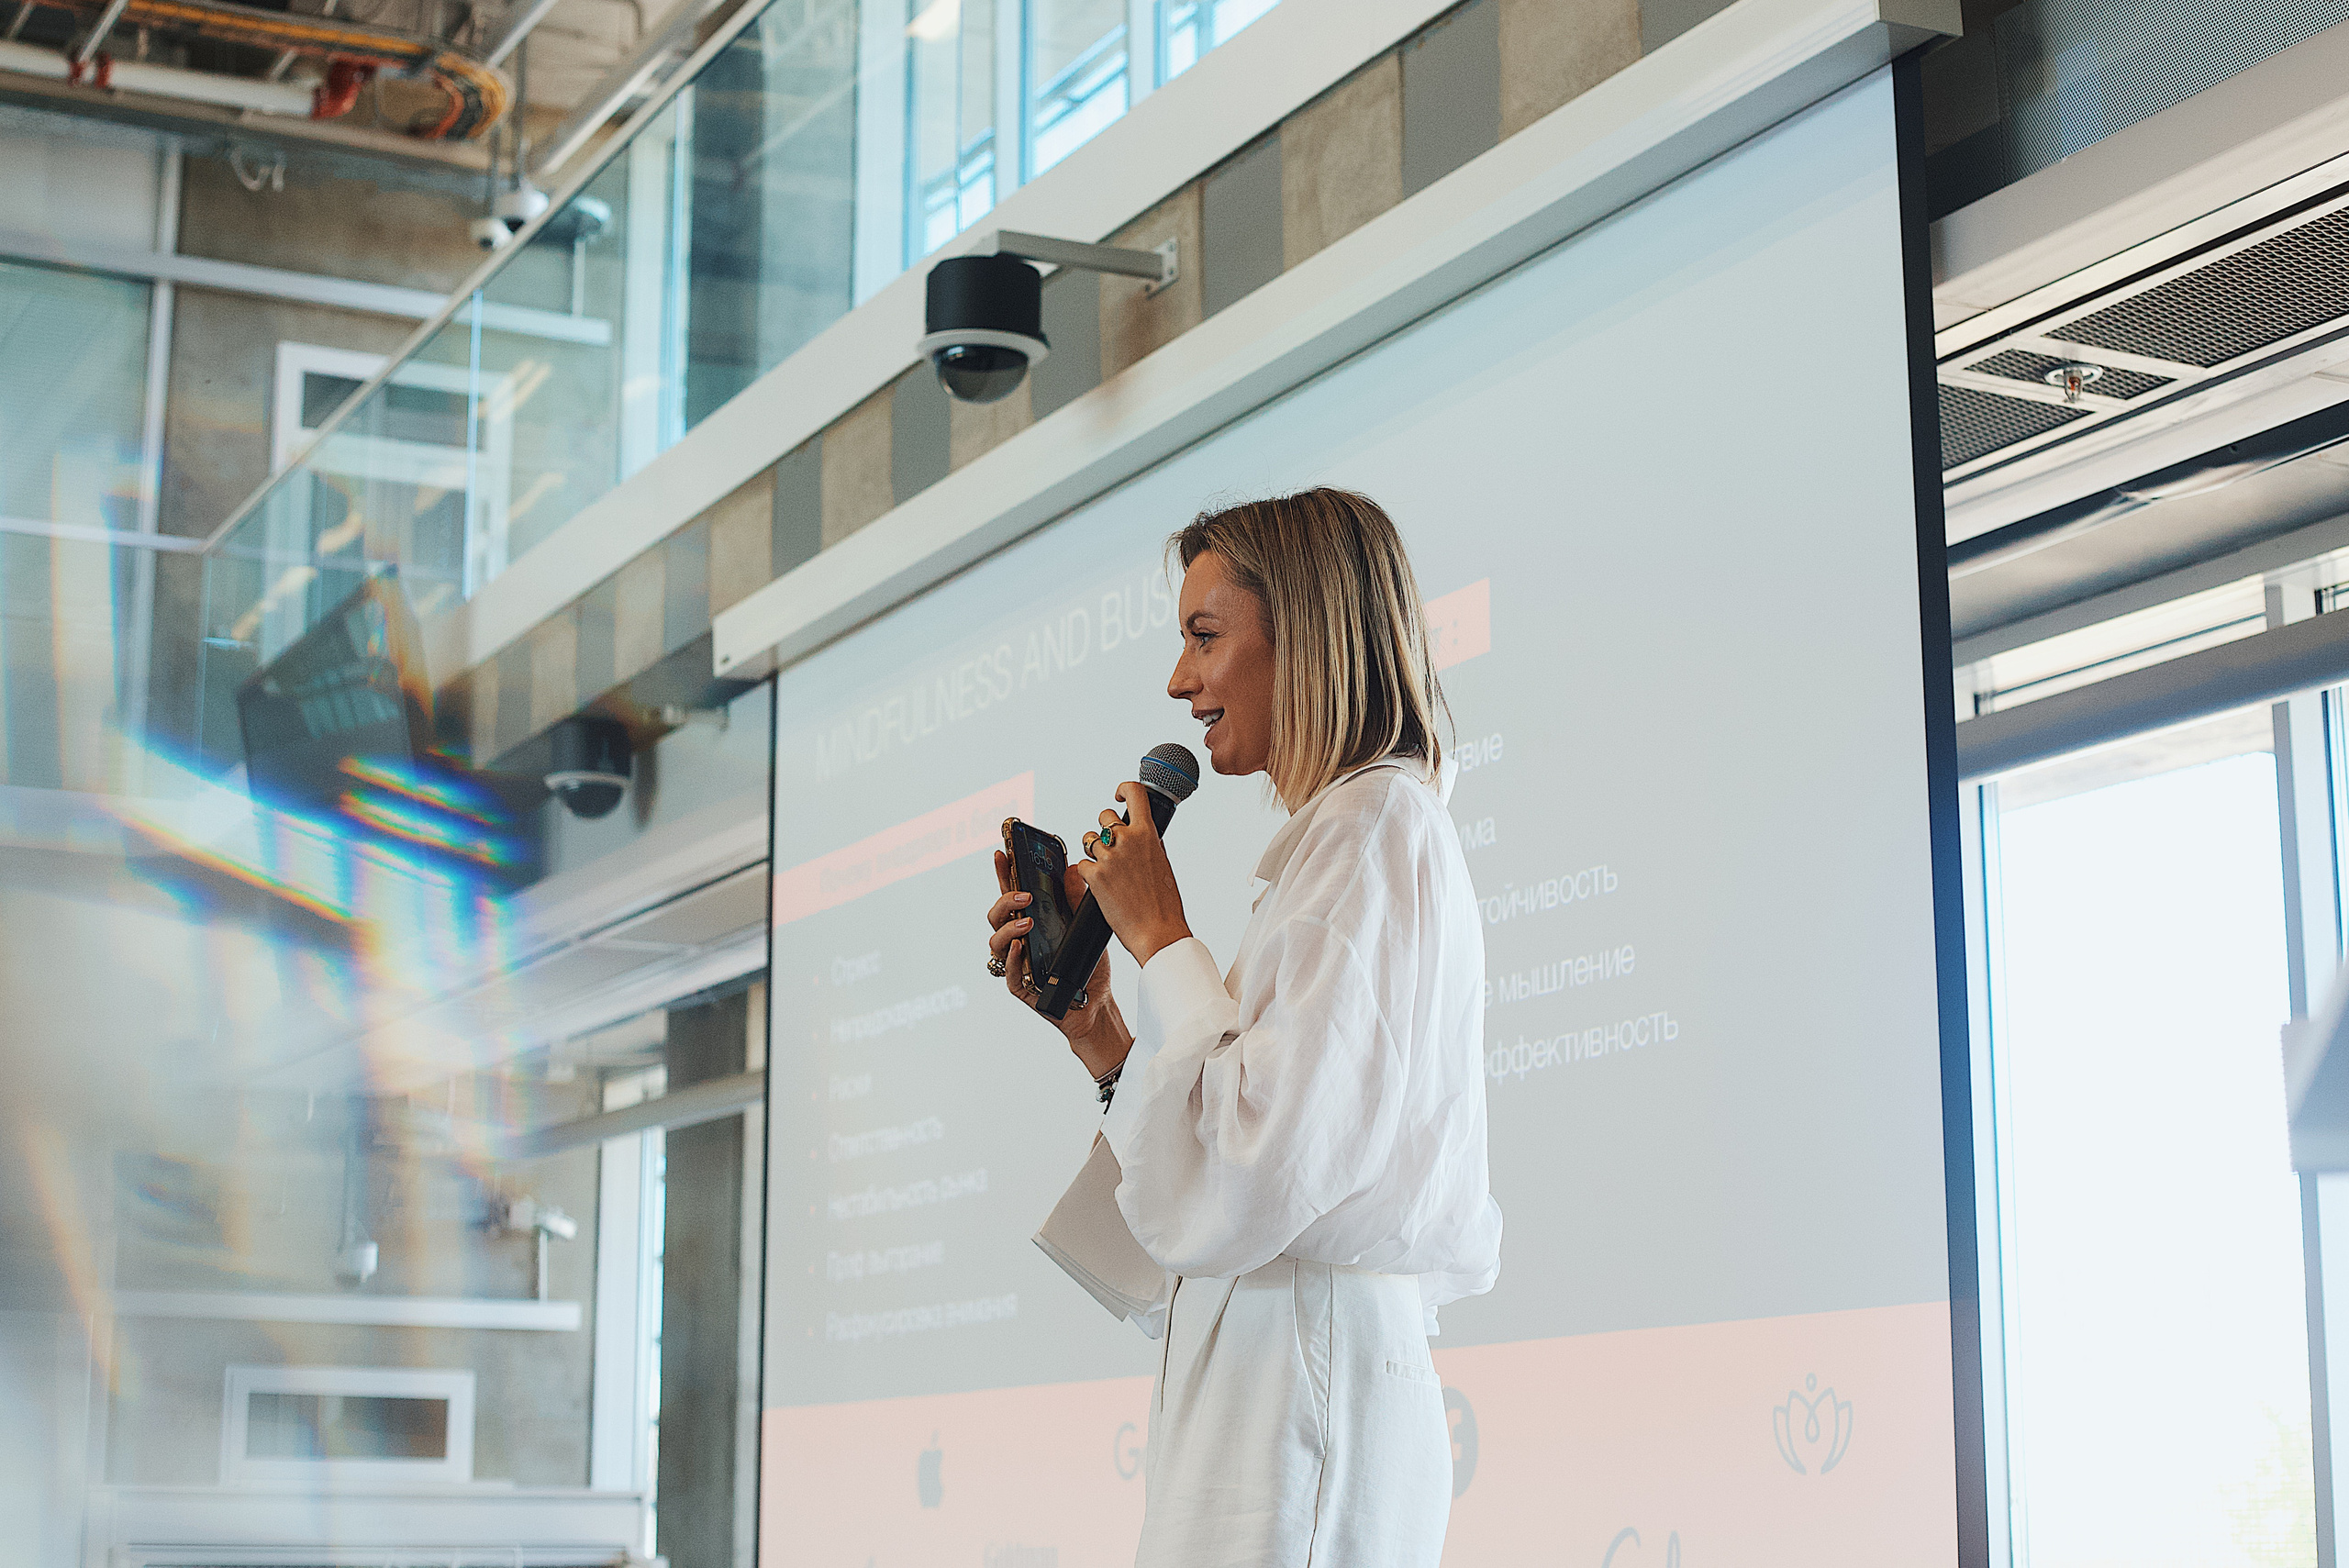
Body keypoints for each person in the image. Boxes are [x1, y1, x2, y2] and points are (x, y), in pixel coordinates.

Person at [984, 487, 1503, 1566]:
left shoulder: (1376, 828)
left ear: (1305, 634)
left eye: (1205, 637)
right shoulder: (1341, 842)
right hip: (1270, 1380)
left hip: (1304, 1393)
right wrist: (1101, 1034)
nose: (1179, 681)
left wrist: (1165, 932)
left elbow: (1264, 1164)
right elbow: (1241, 1147)